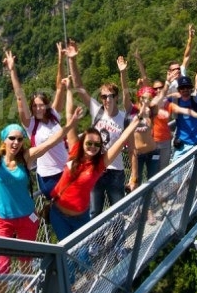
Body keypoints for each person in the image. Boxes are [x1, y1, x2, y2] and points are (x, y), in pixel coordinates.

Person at [0, 82, 80, 293]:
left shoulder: (26, 157)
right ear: (4, 140)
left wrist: (70, 126)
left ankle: (27, 285)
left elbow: (51, 142)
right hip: (4, 220)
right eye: (11, 139)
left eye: (19, 139)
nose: (16, 143)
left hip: (27, 216)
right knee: (2, 265)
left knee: (26, 258)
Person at [48, 83, 148, 243]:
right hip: (58, 213)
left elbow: (123, 141)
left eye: (96, 145)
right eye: (89, 143)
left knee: (116, 211)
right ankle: (97, 244)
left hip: (81, 212)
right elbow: (69, 117)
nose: (93, 147)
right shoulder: (74, 151)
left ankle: (116, 244)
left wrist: (136, 121)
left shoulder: (98, 165)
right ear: (82, 143)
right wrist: (68, 91)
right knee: (93, 216)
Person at [69, 50, 133, 214]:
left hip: (115, 171)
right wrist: (73, 60)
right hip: (94, 169)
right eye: (104, 96)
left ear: (116, 97)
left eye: (111, 96)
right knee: (94, 212)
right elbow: (79, 87)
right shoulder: (97, 111)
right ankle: (98, 241)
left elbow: (133, 149)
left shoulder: (124, 118)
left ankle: (119, 239)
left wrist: (134, 175)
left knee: (118, 211)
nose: (107, 99)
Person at [7, 45, 68, 198]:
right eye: (35, 105)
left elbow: (60, 87)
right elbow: (20, 97)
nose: (38, 108)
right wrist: (12, 71)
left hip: (66, 169)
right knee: (63, 208)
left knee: (70, 211)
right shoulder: (31, 124)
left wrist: (60, 60)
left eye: (41, 104)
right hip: (49, 176)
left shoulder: (54, 115)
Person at [127, 81, 169, 191]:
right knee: (135, 183)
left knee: (153, 181)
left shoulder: (151, 111)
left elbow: (161, 96)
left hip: (153, 151)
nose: (146, 100)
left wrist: (168, 82)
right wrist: (123, 73)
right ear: (139, 98)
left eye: (149, 99)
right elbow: (125, 94)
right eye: (144, 98)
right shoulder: (133, 111)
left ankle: (151, 206)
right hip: (138, 155)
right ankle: (138, 207)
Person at [166, 75, 197, 160]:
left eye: (187, 87)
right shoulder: (174, 101)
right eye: (182, 88)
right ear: (179, 90)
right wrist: (168, 83)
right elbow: (160, 99)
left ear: (191, 88)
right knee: (176, 170)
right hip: (183, 144)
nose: (185, 90)